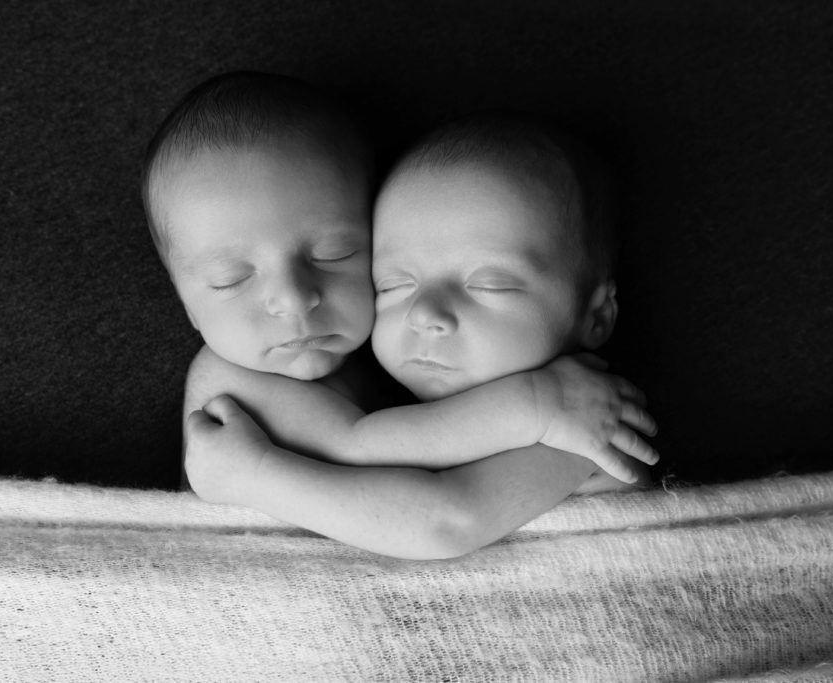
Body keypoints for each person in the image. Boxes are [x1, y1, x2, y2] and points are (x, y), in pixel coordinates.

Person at [142, 72, 656, 558]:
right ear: (187, 303)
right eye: (230, 279)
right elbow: (386, 468)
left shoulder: (592, 424)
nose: (294, 300)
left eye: (335, 255)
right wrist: (541, 403)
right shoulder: (228, 384)